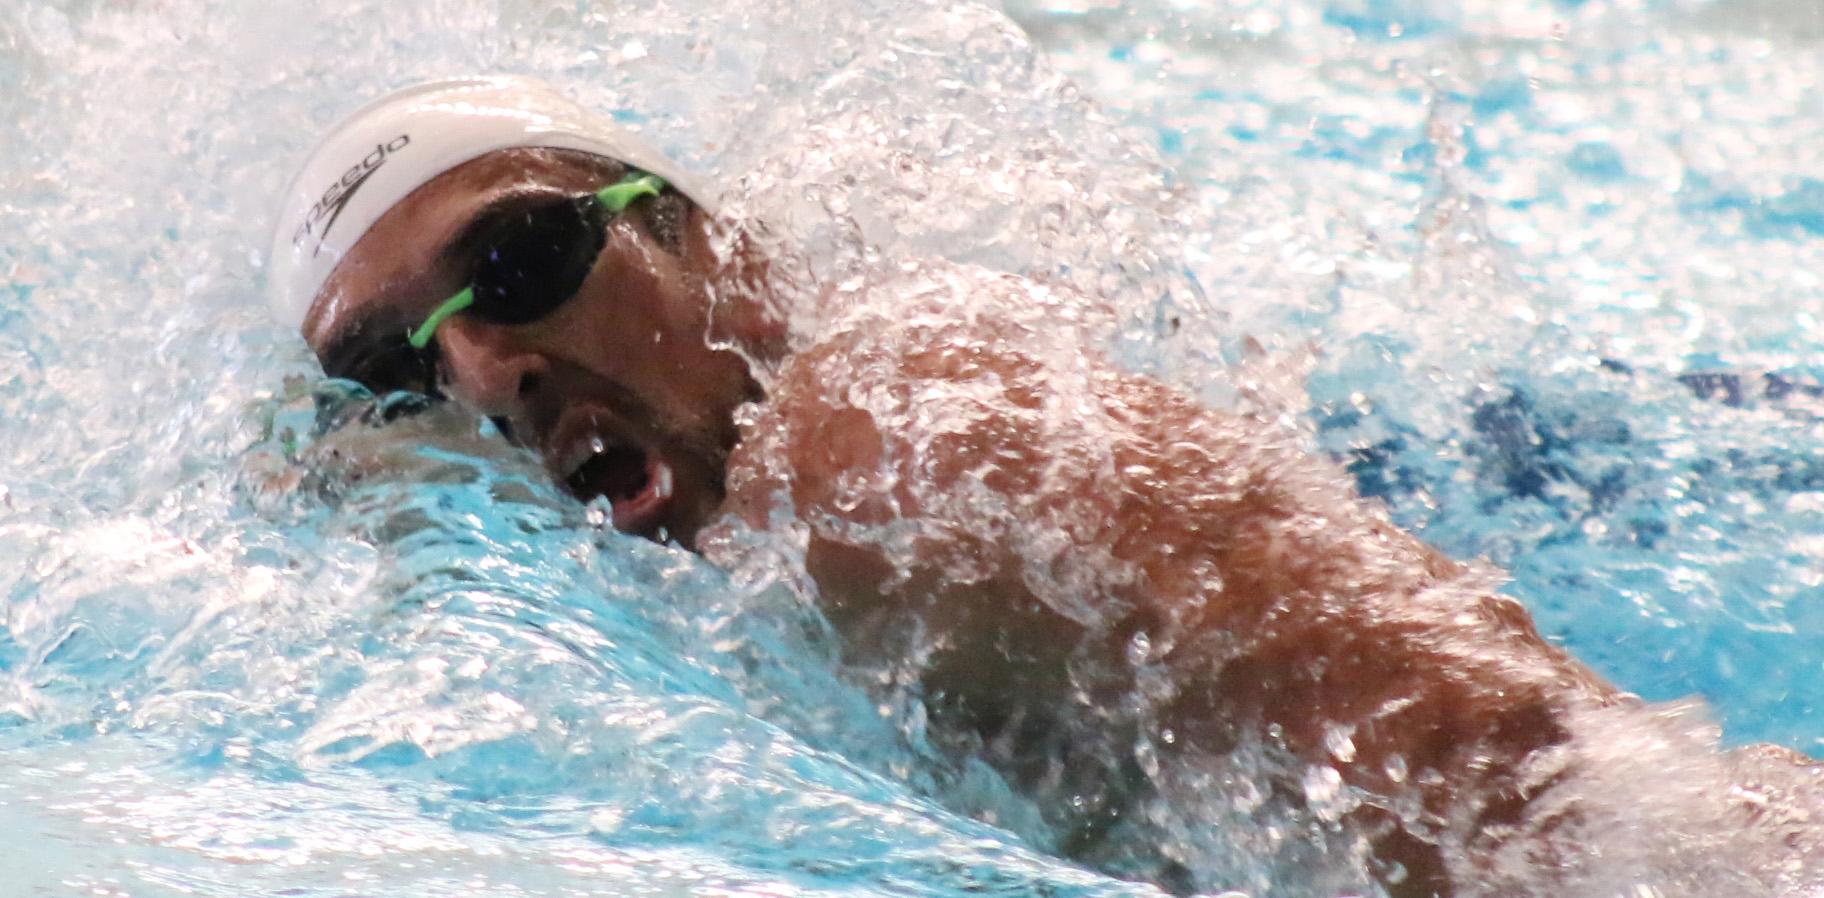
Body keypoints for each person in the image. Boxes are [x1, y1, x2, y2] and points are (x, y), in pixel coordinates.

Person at [270, 77, 1823, 897]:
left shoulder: (898, 435)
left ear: (710, 246)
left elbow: (1494, 742)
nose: (485, 371)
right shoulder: (756, 563)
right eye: (399, 365)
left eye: (525, 258)